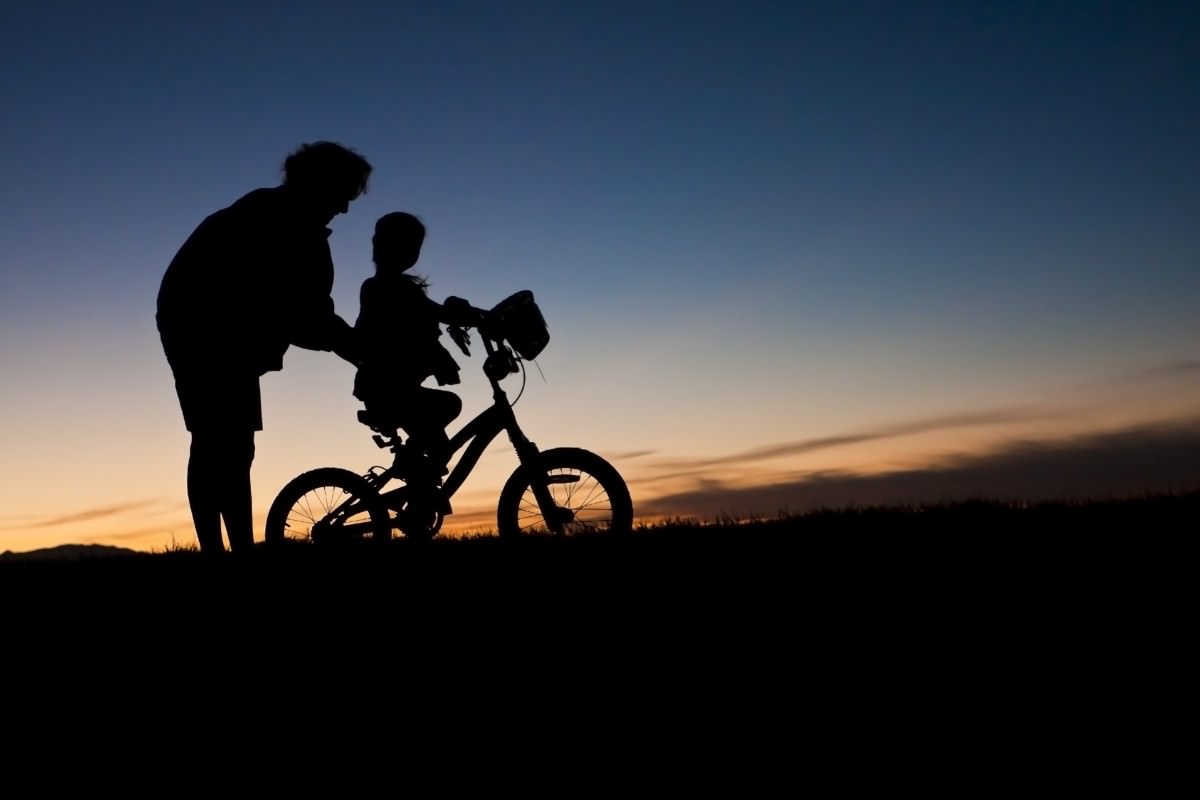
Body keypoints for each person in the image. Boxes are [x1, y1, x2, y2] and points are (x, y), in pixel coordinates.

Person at [157, 141, 372, 556]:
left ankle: (236, 549)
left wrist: (353, 347)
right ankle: (220, 552)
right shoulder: (272, 219)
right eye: (342, 195)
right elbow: (303, 315)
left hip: (220, 331)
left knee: (232, 444)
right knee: (216, 440)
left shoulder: (296, 226)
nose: (345, 209)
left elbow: (308, 315)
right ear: (317, 183)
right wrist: (359, 350)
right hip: (199, 327)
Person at [352, 212, 479, 480]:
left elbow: (434, 312)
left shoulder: (395, 288)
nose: (413, 253)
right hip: (387, 389)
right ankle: (409, 469)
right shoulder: (386, 288)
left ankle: (416, 493)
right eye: (410, 246)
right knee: (447, 414)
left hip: (394, 389)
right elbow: (435, 312)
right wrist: (480, 317)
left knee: (441, 444)